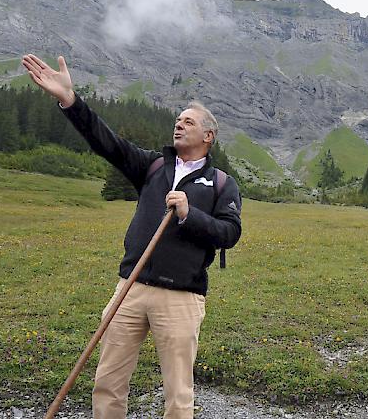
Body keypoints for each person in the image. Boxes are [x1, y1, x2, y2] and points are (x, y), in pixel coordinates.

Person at [22, 54, 242, 419]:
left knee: (177, 394)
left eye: (188, 121)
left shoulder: (221, 183)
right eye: (177, 119)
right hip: (131, 287)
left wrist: (191, 214)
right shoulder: (152, 165)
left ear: (208, 136)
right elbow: (107, 143)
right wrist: (70, 101)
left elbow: (230, 233)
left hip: (181, 297)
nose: (179, 124)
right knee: (108, 381)